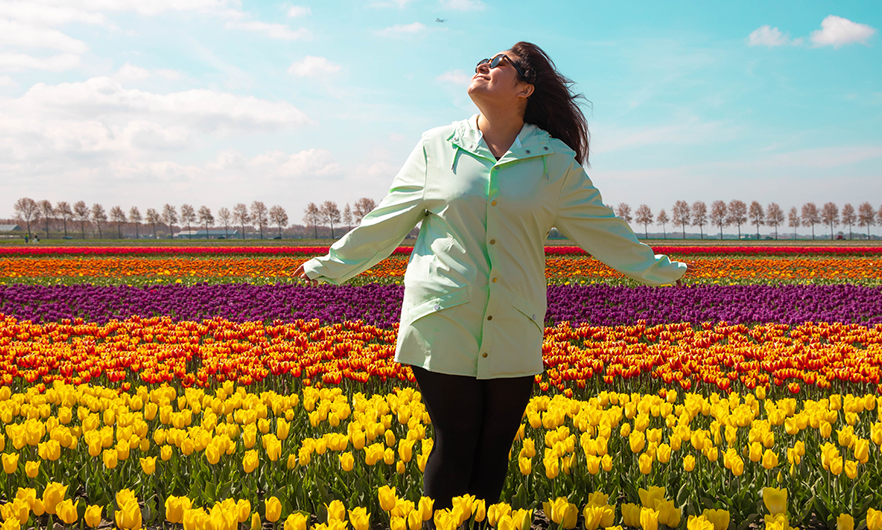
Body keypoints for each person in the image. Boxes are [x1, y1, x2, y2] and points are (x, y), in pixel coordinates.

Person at [291, 41, 688, 513]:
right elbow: (387, 220)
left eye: (500, 63)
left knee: (495, 445)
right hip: (443, 314)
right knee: (456, 437)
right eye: (483, 59)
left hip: (514, 318)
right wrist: (327, 266)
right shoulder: (437, 147)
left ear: (525, 88)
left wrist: (664, 272)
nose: (483, 64)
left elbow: (604, 231)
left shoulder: (554, 163)